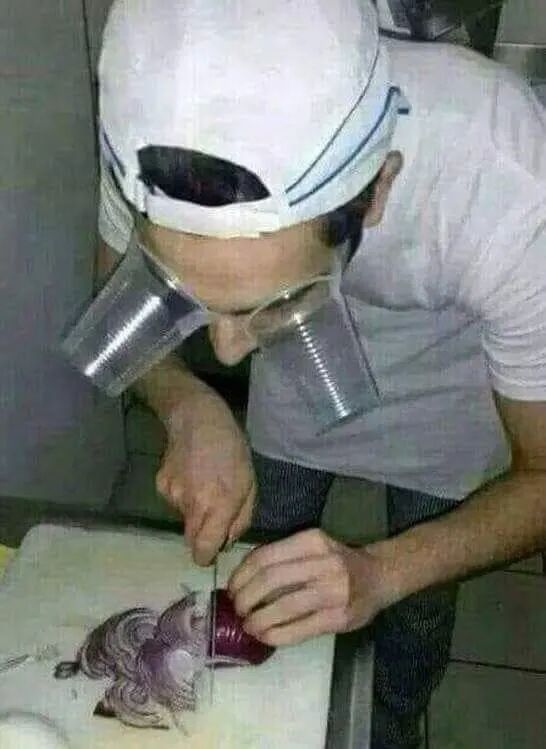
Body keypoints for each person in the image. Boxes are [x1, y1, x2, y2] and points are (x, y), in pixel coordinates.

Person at [93, 1, 546, 747]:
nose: (227, 354)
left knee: (417, 604)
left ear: (378, 189)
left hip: (449, 386)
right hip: (298, 393)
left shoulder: (507, 181)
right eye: (195, 295)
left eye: (277, 299)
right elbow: (117, 296)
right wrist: (185, 402)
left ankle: (394, 720)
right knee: (263, 565)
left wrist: (383, 572)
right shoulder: (164, 124)